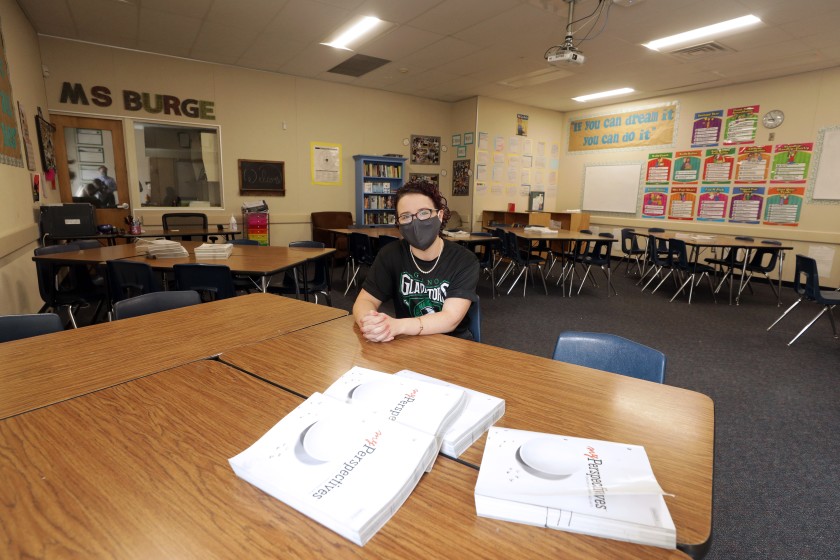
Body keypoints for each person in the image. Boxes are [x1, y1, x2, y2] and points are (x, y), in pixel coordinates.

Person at [353, 180, 479, 342]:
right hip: (408, 342)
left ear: (439, 215)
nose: (415, 221)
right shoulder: (390, 254)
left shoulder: (464, 260)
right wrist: (371, 323)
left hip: (452, 344)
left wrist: (398, 326)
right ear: (398, 222)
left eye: (424, 212)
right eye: (406, 216)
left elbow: (450, 319)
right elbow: (365, 300)